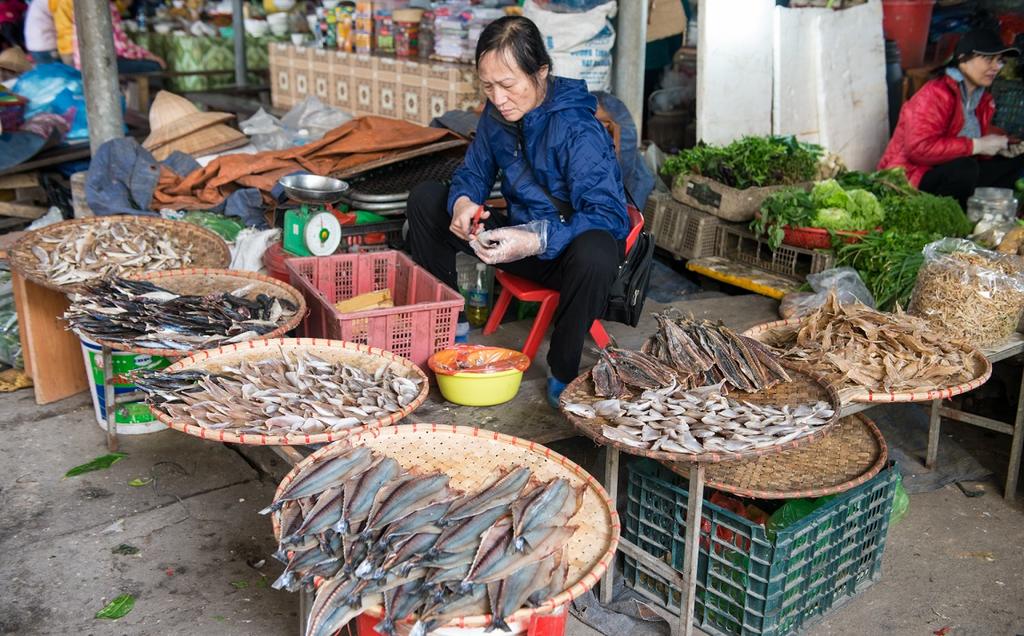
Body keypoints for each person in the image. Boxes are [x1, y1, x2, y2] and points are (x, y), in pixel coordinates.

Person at [406, 15, 629, 409]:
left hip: (564, 254)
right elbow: (473, 173)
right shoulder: (496, 116)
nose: (498, 98)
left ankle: (563, 374)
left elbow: (609, 215)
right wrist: (463, 204)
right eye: (488, 86)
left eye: (508, 85)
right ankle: (449, 327)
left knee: (596, 250)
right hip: (512, 242)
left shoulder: (577, 129)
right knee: (426, 199)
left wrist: (536, 239)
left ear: (540, 72)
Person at [878, 29, 1024, 210]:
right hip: (911, 176)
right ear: (963, 60)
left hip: (947, 172)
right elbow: (918, 148)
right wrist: (977, 145)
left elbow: (967, 141)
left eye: (999, 61)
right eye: (988, 59)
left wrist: (1002, 147)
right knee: (965, 168)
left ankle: (989, 218)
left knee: (1014, 161)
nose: (995, 66)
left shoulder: (982, 99)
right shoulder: (935, 94)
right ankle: (954, 221)